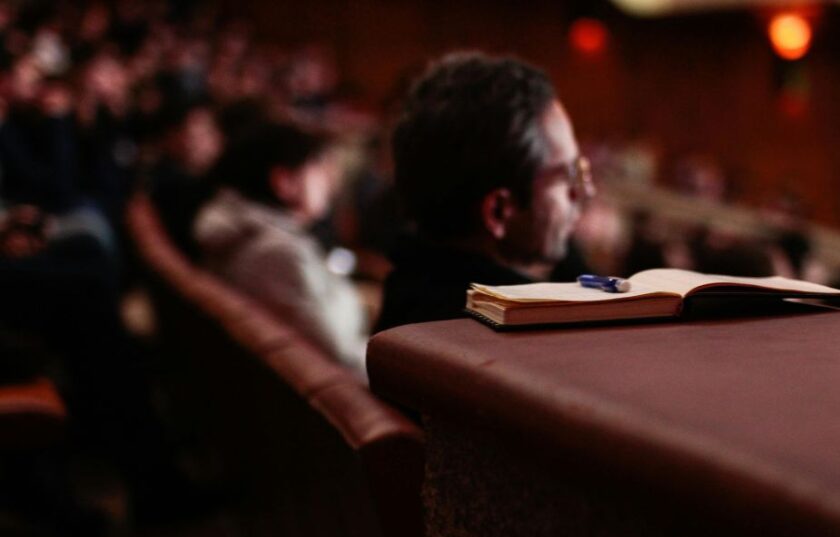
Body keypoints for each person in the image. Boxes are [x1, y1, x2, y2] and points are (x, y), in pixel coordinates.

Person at [375, 52, 594, 332]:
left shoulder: (411, 288)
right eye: (568, 177)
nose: (586, 191)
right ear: (498, 211)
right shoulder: (524, 332)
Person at [194, 121, 368, 373]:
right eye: (317, 166)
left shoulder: (248, 232)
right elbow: (341, 359)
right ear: (284, 181)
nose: (329, 179)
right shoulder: (277, 256)